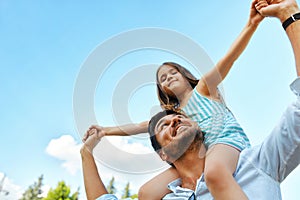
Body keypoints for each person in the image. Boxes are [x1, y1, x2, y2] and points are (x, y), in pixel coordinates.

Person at [81, 0, 300, 199]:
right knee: (147, 192)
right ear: (163, 89)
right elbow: (141, 126)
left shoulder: (204, 89)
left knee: (214, 174)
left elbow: (229, 59)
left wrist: (251, 25)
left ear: (185, 74)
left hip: (225, 143)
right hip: (198, 155)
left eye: (172, 72)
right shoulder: (176, 114)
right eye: (163, 79)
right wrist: (105, 130)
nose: (168, 77)